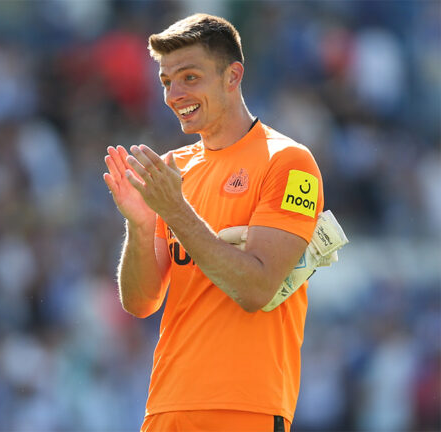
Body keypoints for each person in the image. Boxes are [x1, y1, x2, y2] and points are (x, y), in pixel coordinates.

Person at [103, 14, 324, 432]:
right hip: (166, 406)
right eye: (167, 82)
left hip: (245, 408)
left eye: (189, 77)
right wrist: (139, 224)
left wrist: (176, 212)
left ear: (232, 76)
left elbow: (255, 288)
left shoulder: (290, 162)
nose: (174, 94)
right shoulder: (173, 169)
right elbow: (140, 302)